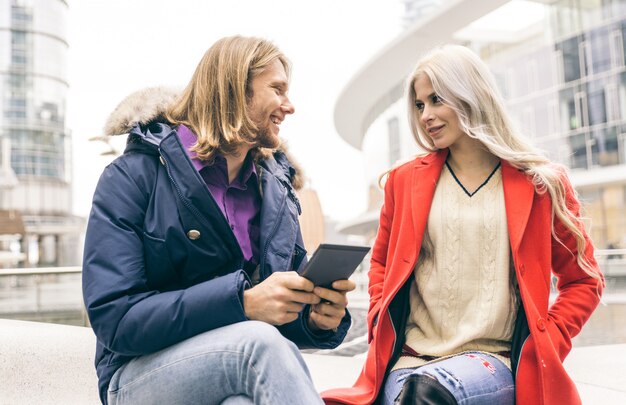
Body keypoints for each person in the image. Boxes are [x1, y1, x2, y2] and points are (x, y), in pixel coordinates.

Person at [322, 44, 604, 405]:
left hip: (492, 359)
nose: (426, 115)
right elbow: (380, 264)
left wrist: (549, 336)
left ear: (470, 95)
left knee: (427, 395)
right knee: (415, 392)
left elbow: (584, 280)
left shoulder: (541, 185)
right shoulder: (404, 181)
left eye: (437, 99)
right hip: (409, 362)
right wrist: (379, 316)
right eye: (420, 104)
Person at [82, 35, 355, 405]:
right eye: (277, 89)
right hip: (135, 375)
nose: (289, 106)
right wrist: (241, 304)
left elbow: (277, 312)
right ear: (234, 91)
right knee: (257, 345)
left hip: (233, 363)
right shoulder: (133, 176)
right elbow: (116, 319)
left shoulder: (275, 192)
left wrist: (315, 320)